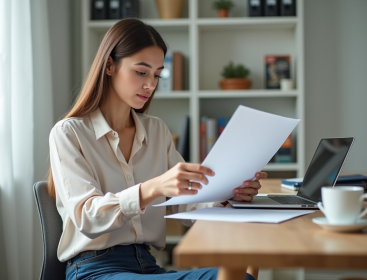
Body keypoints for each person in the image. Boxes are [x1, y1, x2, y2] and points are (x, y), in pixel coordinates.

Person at [48, 18, 267, 280]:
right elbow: (87, 217)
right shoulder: (69, 133)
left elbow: (184, 206)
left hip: (146, 265)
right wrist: (154, 188)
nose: (151, 85)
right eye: (141, 72)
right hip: (94, 269)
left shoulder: (156, 130)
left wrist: (227, 197)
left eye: (156, 74)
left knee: (240, 277)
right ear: (109, 65)